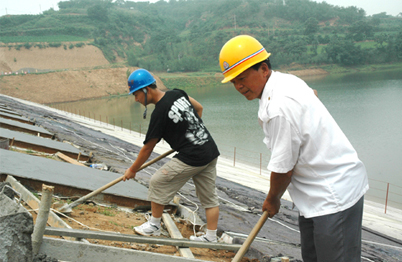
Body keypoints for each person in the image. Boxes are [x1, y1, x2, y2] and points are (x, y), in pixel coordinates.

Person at [218, 35, 369, 261]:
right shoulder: (284, 82)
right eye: (233, 81)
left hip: (334, 195)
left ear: (264, 69)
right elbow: (313, 95)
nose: (238, 86)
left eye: (242, 78)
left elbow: (283, 169)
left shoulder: (279, 106)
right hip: (312, 196)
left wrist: (273, 199)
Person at [123, 68, 220, 242]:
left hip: (193, 156)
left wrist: (132, 170)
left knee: (157, 182)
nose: (136, 99)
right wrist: (190, 131)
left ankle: (154, 225)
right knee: (209, 198)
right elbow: (199, 108)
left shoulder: (159, 113)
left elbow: (147, 148)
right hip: (209, 150)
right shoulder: (177, 93)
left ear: (146, 90)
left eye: (136, 94)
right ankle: (211, 237)